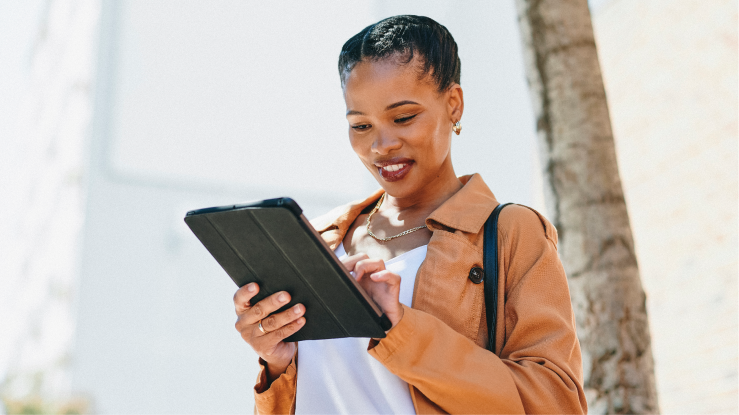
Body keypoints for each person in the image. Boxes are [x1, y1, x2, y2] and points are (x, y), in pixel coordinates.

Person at [232, 15, 587, 415]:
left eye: (403, 118)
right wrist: (276, 361)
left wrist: (403, 330)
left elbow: (556, 403)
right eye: (361, 125)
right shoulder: (317, 239)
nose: (381, 145)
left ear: (453, 104)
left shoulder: (510, 233)